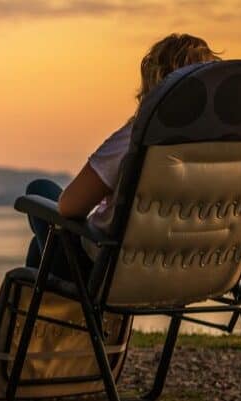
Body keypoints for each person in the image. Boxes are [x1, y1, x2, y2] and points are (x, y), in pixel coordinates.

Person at [24, 33, 222, 280]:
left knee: (39, 190)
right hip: (188, 270)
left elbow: (69, 205)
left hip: (109, 274)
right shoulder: (225, 153)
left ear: (155, 84)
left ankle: (55, 317)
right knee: (40, 248)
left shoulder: (138, 137)